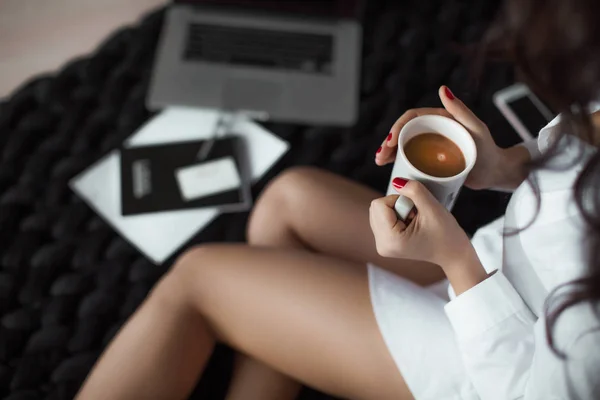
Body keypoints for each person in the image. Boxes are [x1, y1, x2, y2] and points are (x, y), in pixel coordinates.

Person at [76, 0, 600, 398]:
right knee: (288, 200)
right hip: (499, 268)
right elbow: (577, 169)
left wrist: (454, 260)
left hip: (484, 361)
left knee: (196, 280)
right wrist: (505, 167)